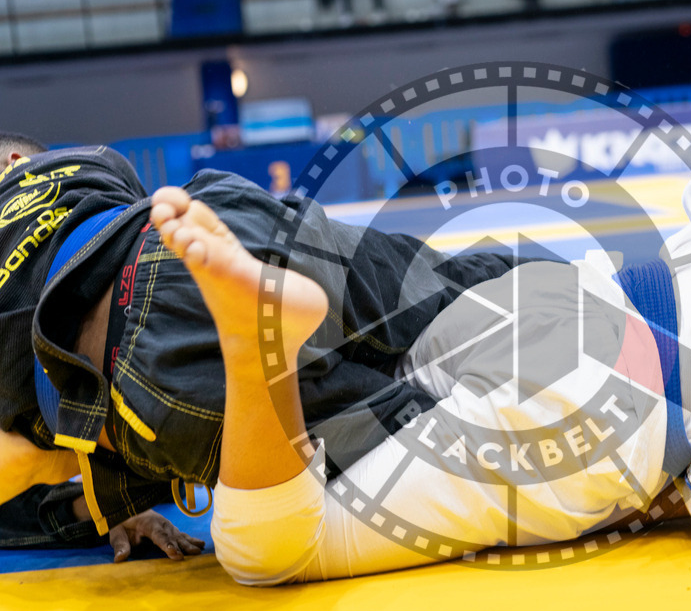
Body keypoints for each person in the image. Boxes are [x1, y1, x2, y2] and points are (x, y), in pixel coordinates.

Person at [146, 160, 691, 586]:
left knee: (381, 378)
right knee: (273, 549)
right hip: (617, 426)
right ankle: (254, 341)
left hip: (566, 294)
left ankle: (274, 284)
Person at [0, 132, 537, 560]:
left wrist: (94, 491)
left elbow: (17, 466)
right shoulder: (81, 165)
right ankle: (608, 292)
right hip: (204, 229)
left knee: (428, 436)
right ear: (18, 162)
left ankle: (251, 340)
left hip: (152, 375)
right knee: (446, 285)